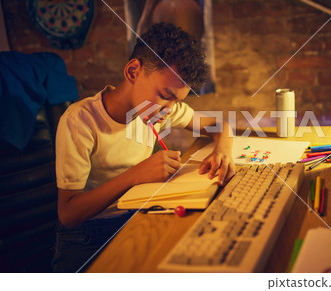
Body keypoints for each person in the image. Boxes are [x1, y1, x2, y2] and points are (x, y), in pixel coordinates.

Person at [52, 22, 235, 272]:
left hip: (136, 216)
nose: (170, 109)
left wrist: (222, 150)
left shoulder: (159, 110)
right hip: (88, 236)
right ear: (133, 72)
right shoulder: (80, 121)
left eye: (177, 101)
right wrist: (136, 175)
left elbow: (219, 124)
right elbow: (68, 214)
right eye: (165, 95)